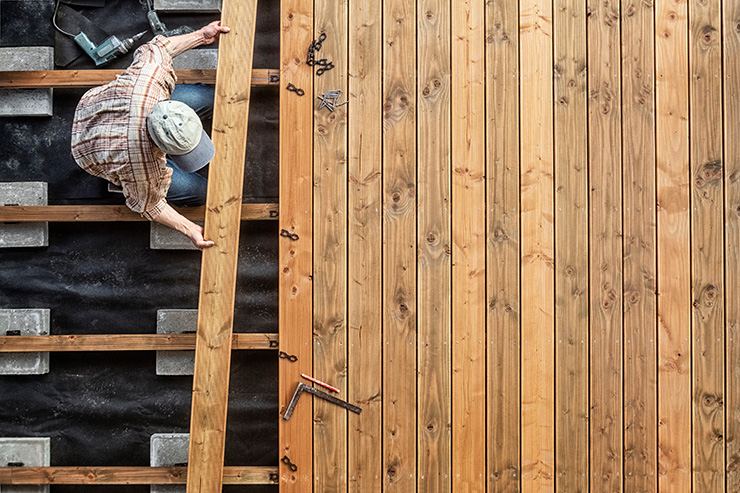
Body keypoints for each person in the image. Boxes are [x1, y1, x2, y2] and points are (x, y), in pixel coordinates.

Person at [70, 21, 230, 249]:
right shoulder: (142, 168)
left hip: (97, 105)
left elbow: (159, 47)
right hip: (88, 149)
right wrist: (190, 229)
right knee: (199, 192)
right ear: (158, 148)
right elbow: (150, 206)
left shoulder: (150, 79)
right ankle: (120, 183)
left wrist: (201, 36)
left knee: (209, 99)